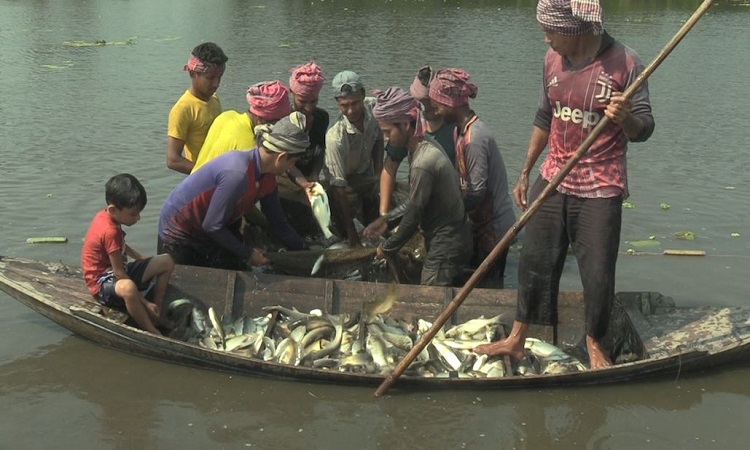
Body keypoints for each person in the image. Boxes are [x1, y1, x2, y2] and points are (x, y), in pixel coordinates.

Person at [474, 0, 655, 369]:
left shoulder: (627, 64)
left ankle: (594, 343)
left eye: (552, 31)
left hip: (601, 182)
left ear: (575, 30)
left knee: (597, 269)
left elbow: (645, 128)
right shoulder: (552, 62)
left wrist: (625, 119)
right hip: (555, 173)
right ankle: (518, 337)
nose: (546, 39)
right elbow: (545, 116)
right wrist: (526, 171)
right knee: (534, 259)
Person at [158, 112, 310, 270]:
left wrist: (305, 250)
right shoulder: (238, 174)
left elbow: (279, 224)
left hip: (210, 228)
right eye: (293, 162)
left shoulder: (268, 179)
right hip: (178, 233)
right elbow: (212, 225)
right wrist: (247, 253)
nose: (291, 168)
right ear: (281, 157)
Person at [363, 87, 472, 286]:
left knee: (430, 299)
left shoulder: (423, 162)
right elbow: (416, 200)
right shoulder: (422, 145)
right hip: (445, 237)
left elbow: (413, 215)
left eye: (388, 132)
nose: (386, 138)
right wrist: (387, 219)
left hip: (447, 241)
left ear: (405, 124)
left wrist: (388, 247)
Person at [429, 68, 516, 287]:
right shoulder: (460, 131)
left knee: (490, 287)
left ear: (451, 103)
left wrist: (448, 214)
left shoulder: (474, 137)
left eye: (437, 105)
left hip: (494, 227)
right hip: (480, 224)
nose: (435, 111)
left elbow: (477, 191)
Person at [82, 174, 175, 335]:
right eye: (133, 214)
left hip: (116, 272)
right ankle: (151, 329)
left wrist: (140, 258)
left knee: (166, 261)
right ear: (113, 209)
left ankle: (157, 309)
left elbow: (119, 246)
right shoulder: (109, 230)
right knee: (129, 288)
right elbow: (119, 273)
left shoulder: (107, 216)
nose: (138, 218)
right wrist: (144, 303)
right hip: (102, 283)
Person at [377, 66, 457, 219]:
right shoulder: (406, 129)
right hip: (419, 193)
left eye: (429, 102)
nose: (426, 109)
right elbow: (389, 169)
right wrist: (384, 216)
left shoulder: (453, 130)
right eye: (420, 103)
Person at [324, 70, 384, 247]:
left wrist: (379, 173)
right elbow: (338, 186)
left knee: (379, 216)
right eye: (344, 105)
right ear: (337, 102)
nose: (351, 110)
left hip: (366, 172)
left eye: (356, 103)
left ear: (363, 95)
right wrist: (352, 234)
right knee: (355, 230)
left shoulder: (375, 108)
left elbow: (379, 138)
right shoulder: (335, 136)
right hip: (345, 184)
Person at [275, 62, 330, 236]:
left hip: (308, 177)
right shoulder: (284, 122)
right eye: (302, 102)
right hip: (283, 179)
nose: (308, 107)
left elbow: (320, 150)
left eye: (313, 101)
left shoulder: (322, 118)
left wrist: (314, 175)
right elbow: (285, 162)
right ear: (292, 94)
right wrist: (304, 184)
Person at [191, 80, 291, 173]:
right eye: (279, 122)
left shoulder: (227, 116)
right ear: (261, 120)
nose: (281, 127)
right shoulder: (250, 148)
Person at [167, 42, 228, 174]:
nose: (216, 84)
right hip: (205, 180)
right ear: (193, 74)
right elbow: (173, 160)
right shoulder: (183, 109)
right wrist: (208, 174)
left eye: (219, 77)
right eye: (210, 78)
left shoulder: (214, 98)